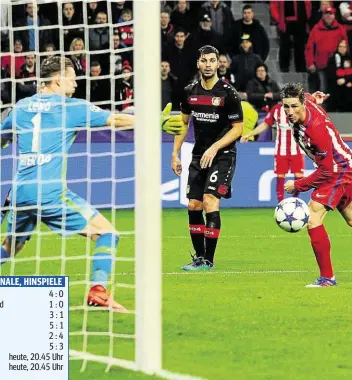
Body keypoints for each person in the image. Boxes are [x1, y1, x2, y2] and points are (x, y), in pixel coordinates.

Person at [0, 56, 185, 309]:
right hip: (49, 193)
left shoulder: (21, 107)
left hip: (19, 192)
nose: (76, 85)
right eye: (72, 79)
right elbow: (117, 119)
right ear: (57, 80)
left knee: (11, 247)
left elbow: (2, 139)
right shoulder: (71, 107)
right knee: (107, 233)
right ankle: (98, 291)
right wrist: (157, 122)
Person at [171, 45, 244, 271]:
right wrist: (175, 153)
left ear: (218, 64)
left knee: (210, 201)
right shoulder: (189, 92)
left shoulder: (228, 93)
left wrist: (215, 147)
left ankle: (208, 261)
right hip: (198, 156)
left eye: (213, 60)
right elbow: (182, 125)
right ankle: (200, 258)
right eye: (205, 61)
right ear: (198, 63)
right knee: (193, 205)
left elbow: (238, 128)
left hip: (223, 155)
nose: (209, 64)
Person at [281, 82, 352, 287]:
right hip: (344, 165)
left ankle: (327, 278)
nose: (290, 111)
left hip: (339, 170)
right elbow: (311, 97)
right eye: (286, 106)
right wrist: (317, 97)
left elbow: (326, 171)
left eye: (294, 106)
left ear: (302, 104)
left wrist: (298, 185)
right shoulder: (307, 103)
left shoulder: (315, 128)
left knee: (313, 216)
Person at [241, 102, 304, 202]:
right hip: (281, 149)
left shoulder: (300, 107)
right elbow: (266, 124)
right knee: (280, 176)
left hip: (297, 149)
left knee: (299, 177)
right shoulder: (276, 109)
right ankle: (281, 203)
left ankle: (295, 200)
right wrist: (250, 134)